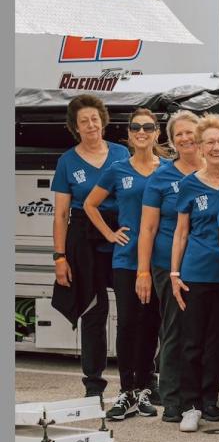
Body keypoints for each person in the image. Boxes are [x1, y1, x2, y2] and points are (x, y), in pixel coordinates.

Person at [84, 109, 165, 421]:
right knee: (128, 322)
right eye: (135, 128)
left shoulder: (168, 170)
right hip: (126, 259)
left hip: (158, 259)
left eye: (148, 127)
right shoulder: (117, 170)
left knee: (151, 324)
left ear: (157, 133)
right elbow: (90, 204)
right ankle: (126, 389)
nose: (141, 132)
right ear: (129, 135)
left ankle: (145, 387)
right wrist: (109, 232)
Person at [50, 95, 129, 399]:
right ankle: (93, 384)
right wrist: (59, 257)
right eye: (84, 121)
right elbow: (60, 214)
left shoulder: (122, 153)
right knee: (94, 311)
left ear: (103, 120)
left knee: (133, 309)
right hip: (83, 237)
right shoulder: (67, 161)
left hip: (120, 232)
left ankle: (139, 381)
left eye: (95, 118)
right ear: (75, 127)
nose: (91, 125)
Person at [170, 116, 219, 433]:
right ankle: (190, 405)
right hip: (196, 272)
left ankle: (210, 401)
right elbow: (181, 233)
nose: (215, 147)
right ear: (200, 146)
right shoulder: (189, 184)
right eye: (209, 142)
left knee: (217, 342)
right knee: (192, 341)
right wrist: (174, 272)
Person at [136, 110, 204, 422]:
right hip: (168, 265)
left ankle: (204, 397)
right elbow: (147, 229)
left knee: (206, 333)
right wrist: (144, 271)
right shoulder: (161, 178)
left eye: (191, 132)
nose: (186, 139)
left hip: (209, 266)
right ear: (171, 140)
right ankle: (173, 399)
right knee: (175, 331)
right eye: (179, 134)